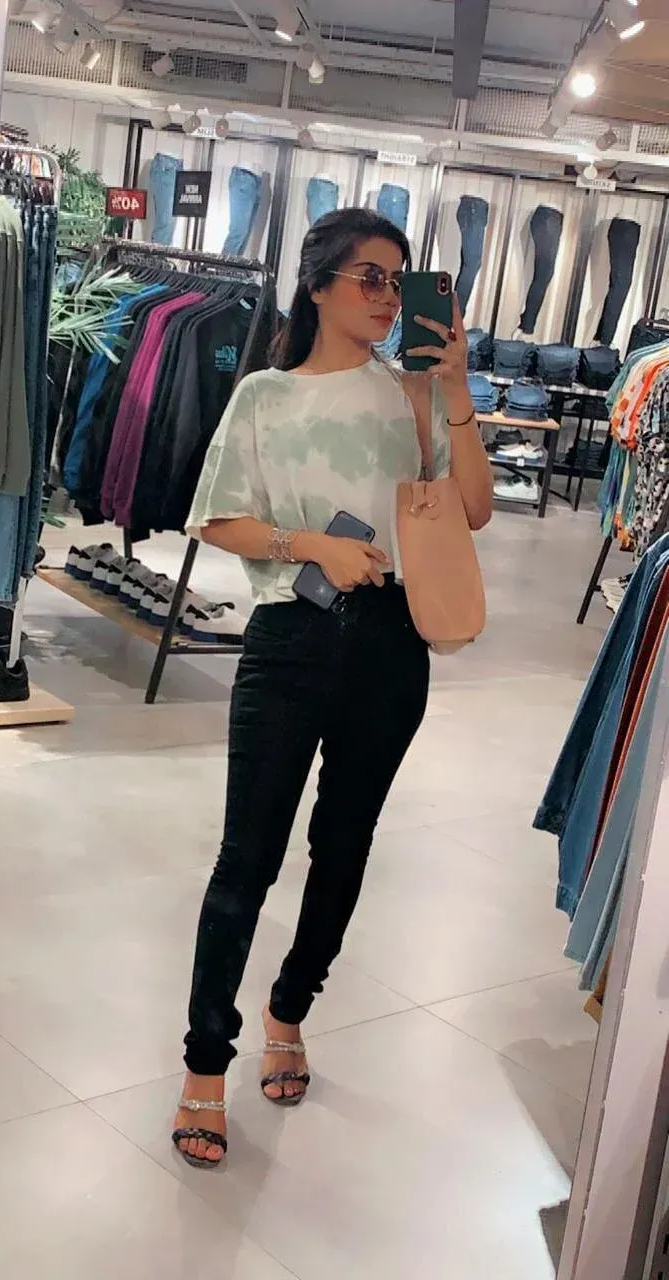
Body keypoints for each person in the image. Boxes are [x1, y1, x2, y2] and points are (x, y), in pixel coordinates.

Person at [172, 208, 493, 1168]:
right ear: (318, 286)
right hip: (291, 636)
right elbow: (217, 518)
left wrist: (455, 390)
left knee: (344, 847)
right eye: (370, 278)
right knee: (247, 859)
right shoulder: (265, 396)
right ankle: (204, 1061)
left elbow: (474, 509)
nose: (389, 297)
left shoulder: (414, 393)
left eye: (400, 280)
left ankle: (290, 1007)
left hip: (393, 643)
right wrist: (309, 543)